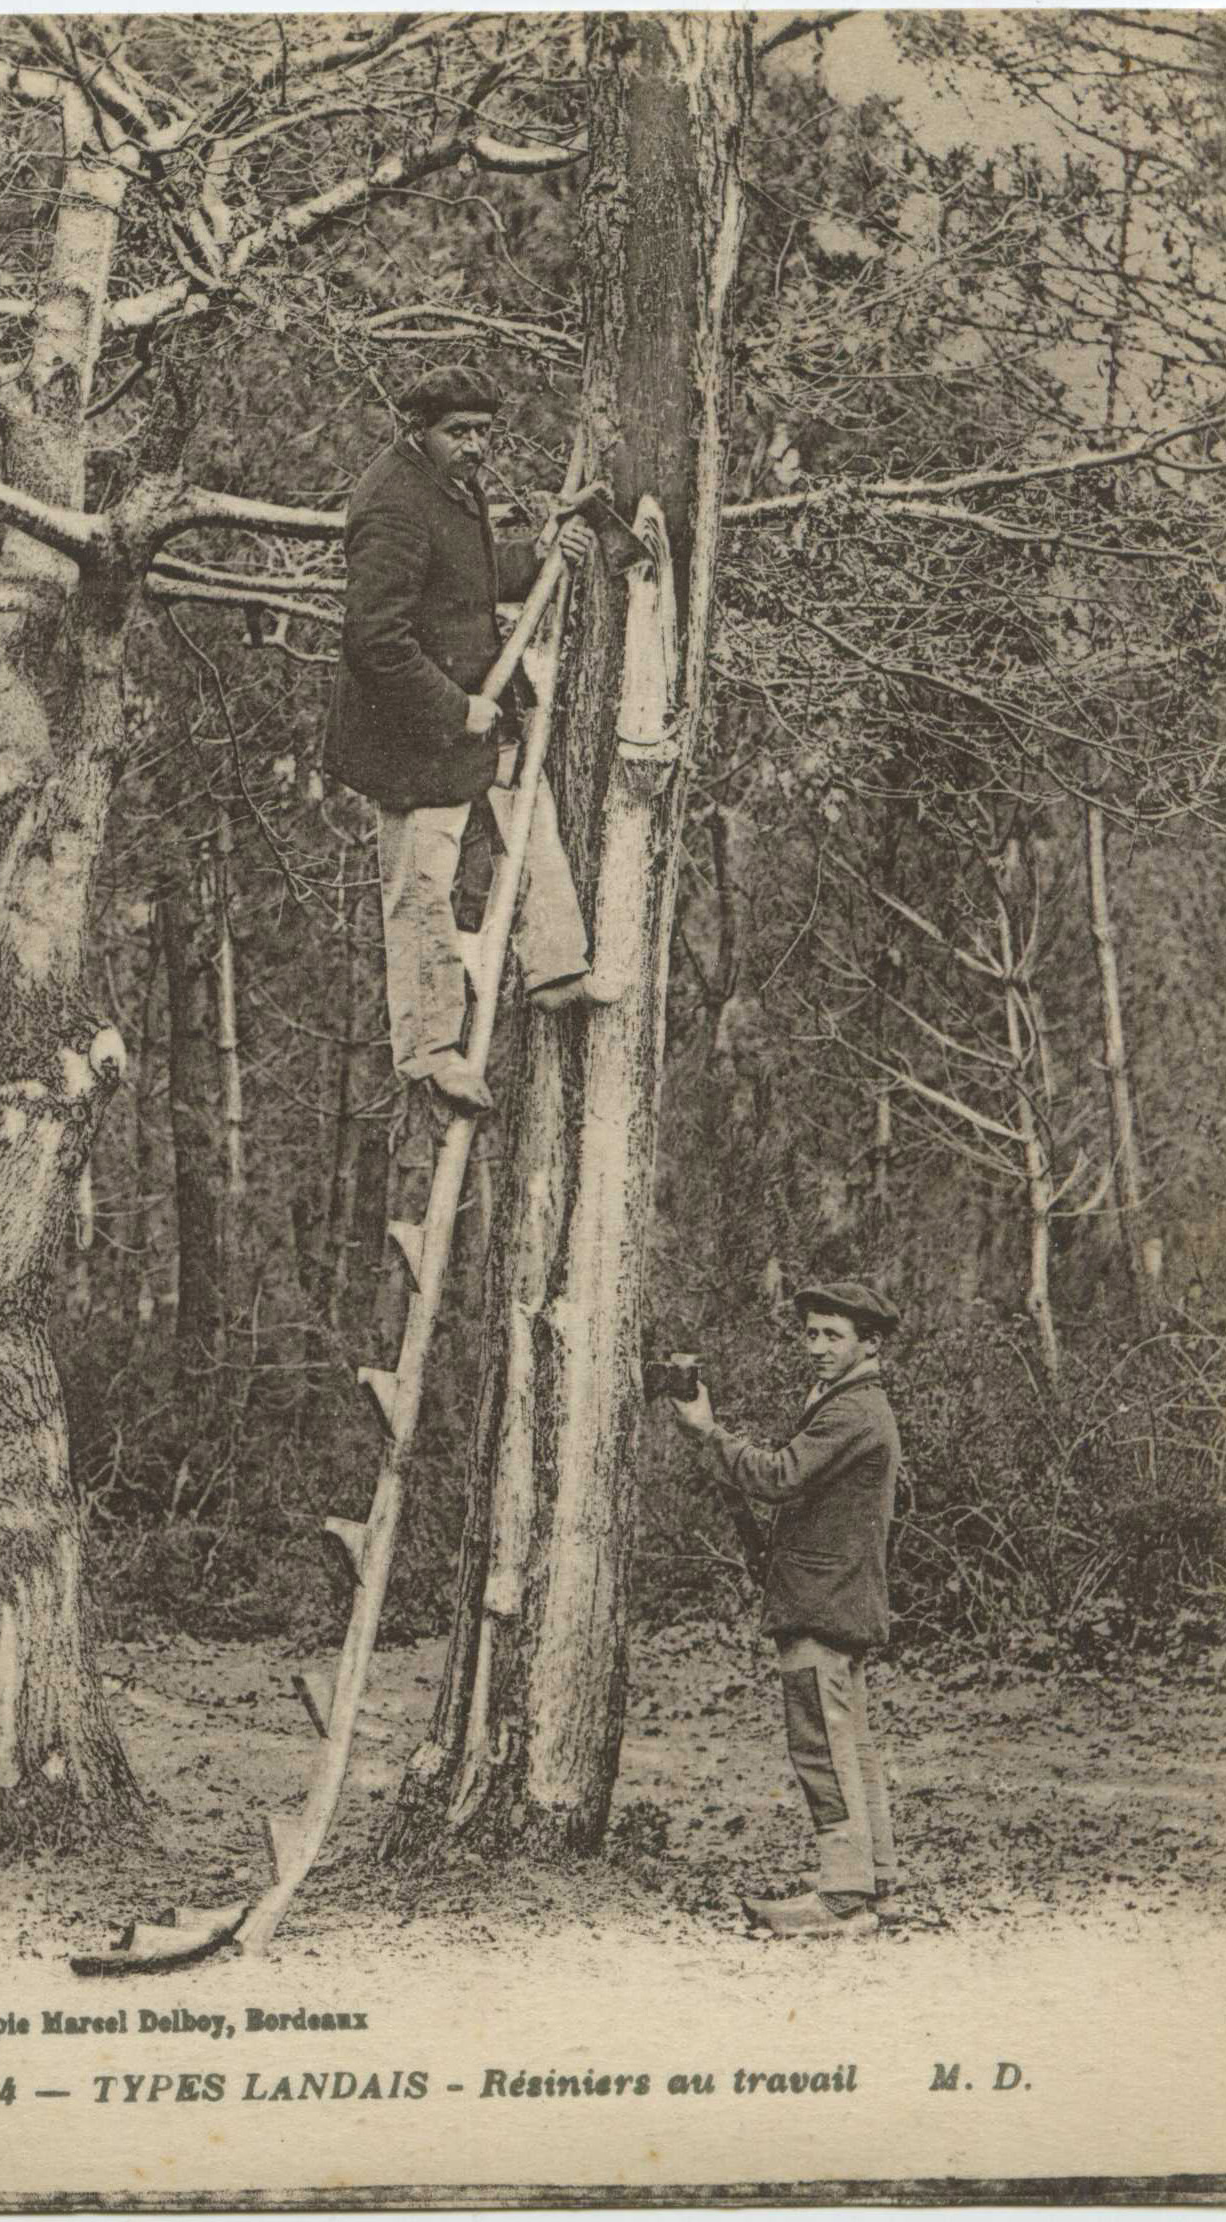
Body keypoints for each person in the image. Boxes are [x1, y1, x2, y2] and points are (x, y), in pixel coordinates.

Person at [325, 364, 614, 1115]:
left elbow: (468, 584)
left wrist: (543, 554)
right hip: (412, 735)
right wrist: (454, 709)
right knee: (421, 889)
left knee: (528, 816)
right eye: (460, 432)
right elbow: (375, 640)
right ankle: (429, 1052)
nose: (476, 446)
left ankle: (553, 968)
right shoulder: (391, 503)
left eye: (484, 432)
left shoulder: (450, 487)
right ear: (416, 429)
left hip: (474, 711)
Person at [670, 1280, 904, 1940]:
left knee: (821, 1749)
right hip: (834, 1600)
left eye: (834, 1335)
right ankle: (877, 1884)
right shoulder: (850, 1404)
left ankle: (842, 1897)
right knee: (848, 1749)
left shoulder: (851, 1411)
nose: (818, 1347)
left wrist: (707, 1431)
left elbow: (777, 1477)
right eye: (812, 1334)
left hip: (822, 1605)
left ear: (869, 1343)